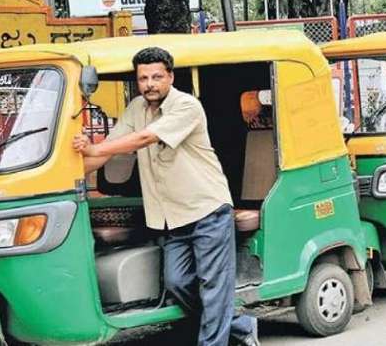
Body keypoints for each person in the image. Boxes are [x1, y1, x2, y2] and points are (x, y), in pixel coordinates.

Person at [72, 47, 259, 346]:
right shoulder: (136, 108)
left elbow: (146, 137)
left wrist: (94, 149)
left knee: (213, 287)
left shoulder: (187, 106)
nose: (150, 84)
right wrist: (68, 172)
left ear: (170, 77)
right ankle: (239, 324)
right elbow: (110, 148)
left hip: (206, 209)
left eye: (157, 76)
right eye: (143, 78)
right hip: (170, 217)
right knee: (177, 282)